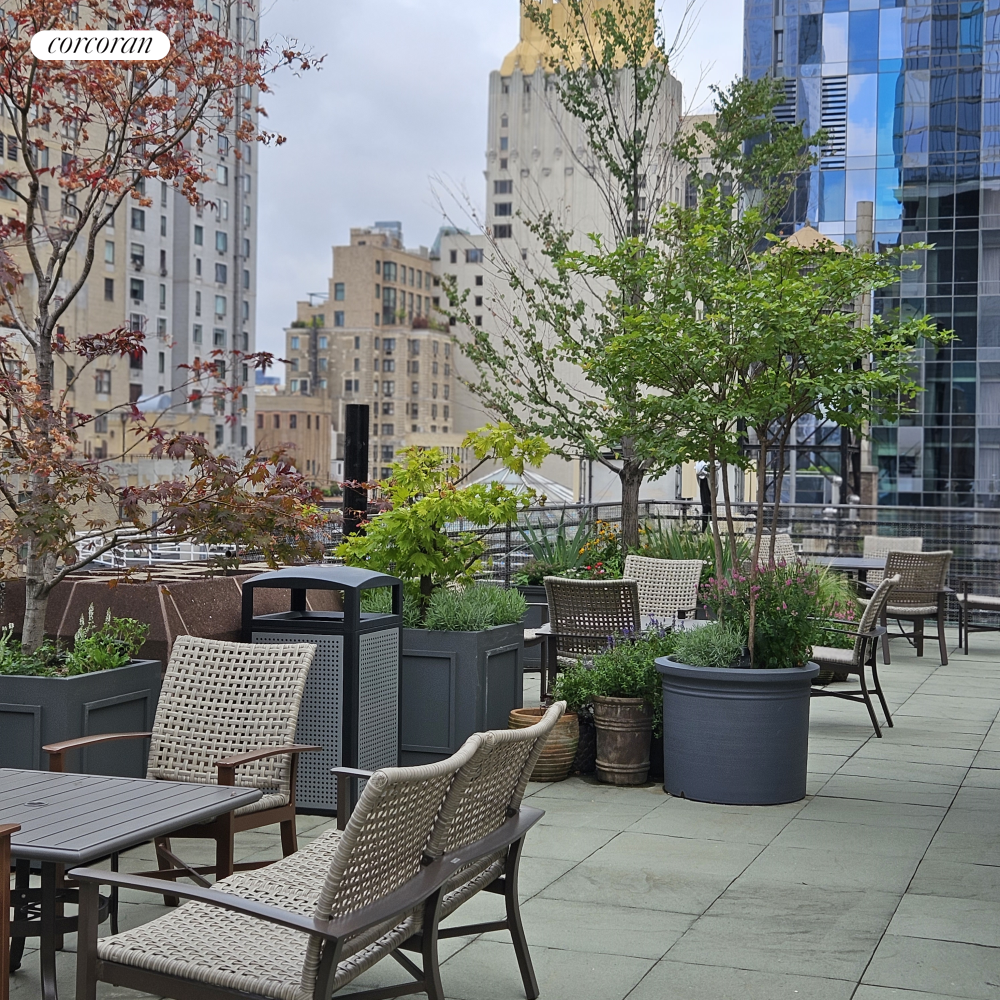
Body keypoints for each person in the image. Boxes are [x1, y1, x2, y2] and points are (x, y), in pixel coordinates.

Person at [696, 460, 713, 533]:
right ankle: (705, 531)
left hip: (708, 481)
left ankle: (710, 531)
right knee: (706, 509)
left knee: (709, 510)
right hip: (704, 483)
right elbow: (697, 472)